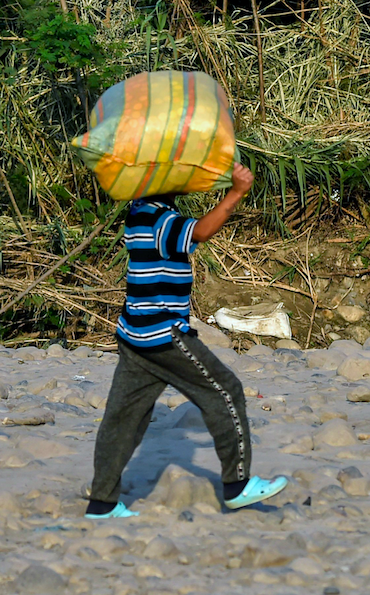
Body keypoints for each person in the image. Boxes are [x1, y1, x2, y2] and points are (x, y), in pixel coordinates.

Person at [84, 163, 288, 520]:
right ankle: (237, 485)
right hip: (165, 335)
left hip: (134, 335)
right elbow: (201, 231)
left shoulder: (137, 212)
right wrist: (236, 192)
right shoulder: (160, 218)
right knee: (226, 392)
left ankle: (102, 503)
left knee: (122, 420)